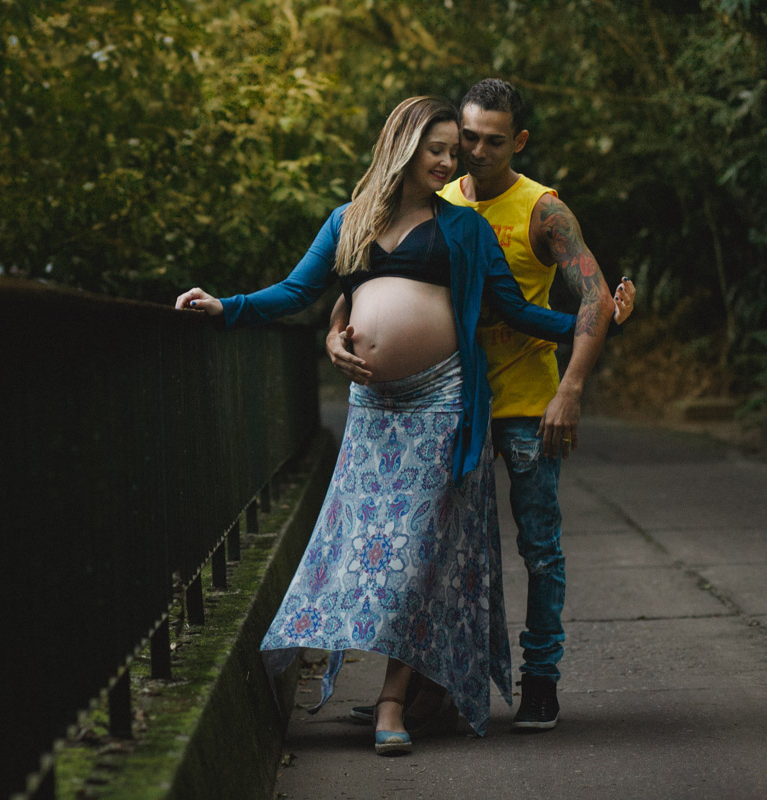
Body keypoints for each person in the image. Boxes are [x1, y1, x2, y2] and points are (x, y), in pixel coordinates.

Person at [175, 96, 591, 755]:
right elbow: (295, 293)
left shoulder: (465, 229)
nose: (451, 162)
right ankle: (392, 692)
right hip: (374, 411)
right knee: (367, 551)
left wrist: (591, 325)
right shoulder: (350, 221)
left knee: (417, 555)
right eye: (439, 150)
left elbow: (514, 309)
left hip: (443, 404)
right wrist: (226, 306)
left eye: (455, 151)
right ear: (403, 145)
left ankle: (394, 701)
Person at [326, 79, 635, 733]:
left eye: (494, 140)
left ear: (517, 141)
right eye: (468, 137)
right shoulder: (433, 196)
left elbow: (590, 297)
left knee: (540, 549)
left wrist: (570, 391)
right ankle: (428, 692)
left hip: (526, 404)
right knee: (435, 550)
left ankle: (540, 681)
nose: (476, 150)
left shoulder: (542, 209)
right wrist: (335, 331)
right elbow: (364, 278)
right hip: (446, 401)